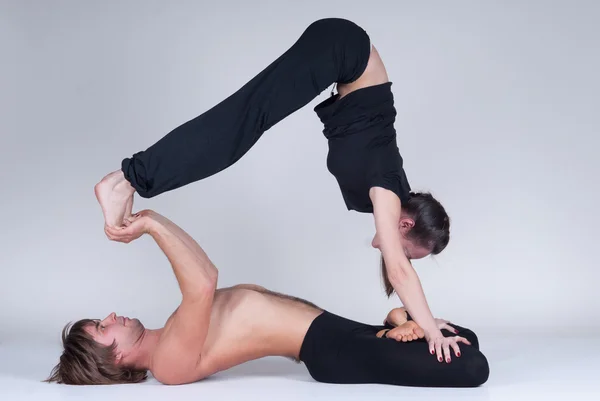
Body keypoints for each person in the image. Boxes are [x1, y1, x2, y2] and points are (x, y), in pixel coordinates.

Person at [94, 17, 453, 362]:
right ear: (405, 226)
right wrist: (430, 329)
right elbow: (399, 273)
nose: (399, 257)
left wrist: (423, 321)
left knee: (244, 124)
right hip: (344, 50)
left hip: (342, 53)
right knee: (241, 124)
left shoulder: (386, 193)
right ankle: (124, 181)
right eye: (409, 253)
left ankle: (130, 180)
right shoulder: (387, 192)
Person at [46, 210, 488, 386]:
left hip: (336, 331)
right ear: (115, 358)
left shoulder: (175, 327)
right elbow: (202, 279)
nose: (110, 317)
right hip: (331, 351)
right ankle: (396, 324)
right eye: (103, 329)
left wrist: (151, 221)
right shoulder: (169, 364)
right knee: (472, 365)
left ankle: (396, 323)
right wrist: (148, 223)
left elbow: (201, 276)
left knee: (461, 335)